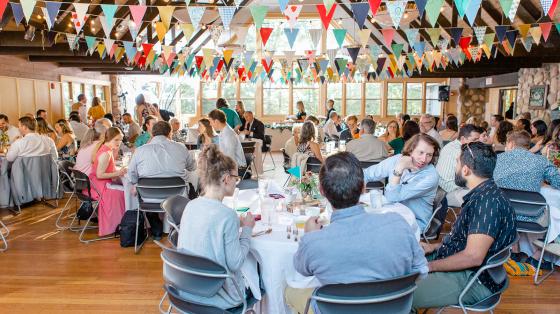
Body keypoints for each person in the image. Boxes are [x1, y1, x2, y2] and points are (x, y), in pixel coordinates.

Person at [286, 152, 428, 313]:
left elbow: (301, 270)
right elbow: (421, 270)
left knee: (290, 291)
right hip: (392, 309)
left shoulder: (314, 242)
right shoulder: (398, 224)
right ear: (363, 188)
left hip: (337, 309)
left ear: (322, 191)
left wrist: (309, 236)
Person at [412, 142, 517, 310]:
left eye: (457, 162)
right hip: (465, 265)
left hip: (475, 279)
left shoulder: (486, 203)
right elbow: (465, 241)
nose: (455, 167)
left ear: (466, 170)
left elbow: (473, 256)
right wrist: (434, 247)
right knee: (400, 264)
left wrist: (430, 266)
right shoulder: (485, 193)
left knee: (401, 295)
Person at [177, 144, 255, 310]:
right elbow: (236, 263)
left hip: (186, 288)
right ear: (226, 178)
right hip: (218, 297)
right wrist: (247, 228)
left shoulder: (191, 205)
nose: (237, 181)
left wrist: (236, 224)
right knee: (262, 277)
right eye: (236, 177)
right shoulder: (228, 216)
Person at [128, 121, 196, 240]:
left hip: (148, 197)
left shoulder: (140, 150)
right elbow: (192, 167)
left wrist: (135, 183)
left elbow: (131, 175)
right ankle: (179, 228)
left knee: (144, 192)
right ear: (170, 133)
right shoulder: (181, 147)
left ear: (152, 134)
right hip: (176, 198)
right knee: (192, 188)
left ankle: (156, 228)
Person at [364, 133, 440, 230]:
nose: (424, 159)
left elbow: (392, 198)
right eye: (421, 152)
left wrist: (399, 169)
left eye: (429, 155)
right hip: (392, 213)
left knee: (373, 227)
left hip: (415, 221)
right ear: (411, 150)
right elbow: (367, 174)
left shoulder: (430, 176)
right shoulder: (397, 159)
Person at [494, 130, 560, 192]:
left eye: (507, 144)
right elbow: (558, 182)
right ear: (528, 145)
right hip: (530, 202)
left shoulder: (496, 159)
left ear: (511, 144)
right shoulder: (542, 161)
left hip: (501, 201)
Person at [89, 127, 127, 236]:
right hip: (101, 187)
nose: (119, 142)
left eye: (120, 140)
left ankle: (122, 223)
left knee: (124, 189)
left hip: (97, 184)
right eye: (116, 140)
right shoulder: (105, 153)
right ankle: (119, 225)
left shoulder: (106, 149)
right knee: (125, 192)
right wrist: (119, 173)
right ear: (109, 139)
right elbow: (100, 175)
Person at [436, 124, 481, 207]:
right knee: (482, 196)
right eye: (475, 139)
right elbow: (470, 177)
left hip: (444, 189)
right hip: (446, 193)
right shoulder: (460, 151)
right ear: (463, 139)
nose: (478, 142)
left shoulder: (451, 145)